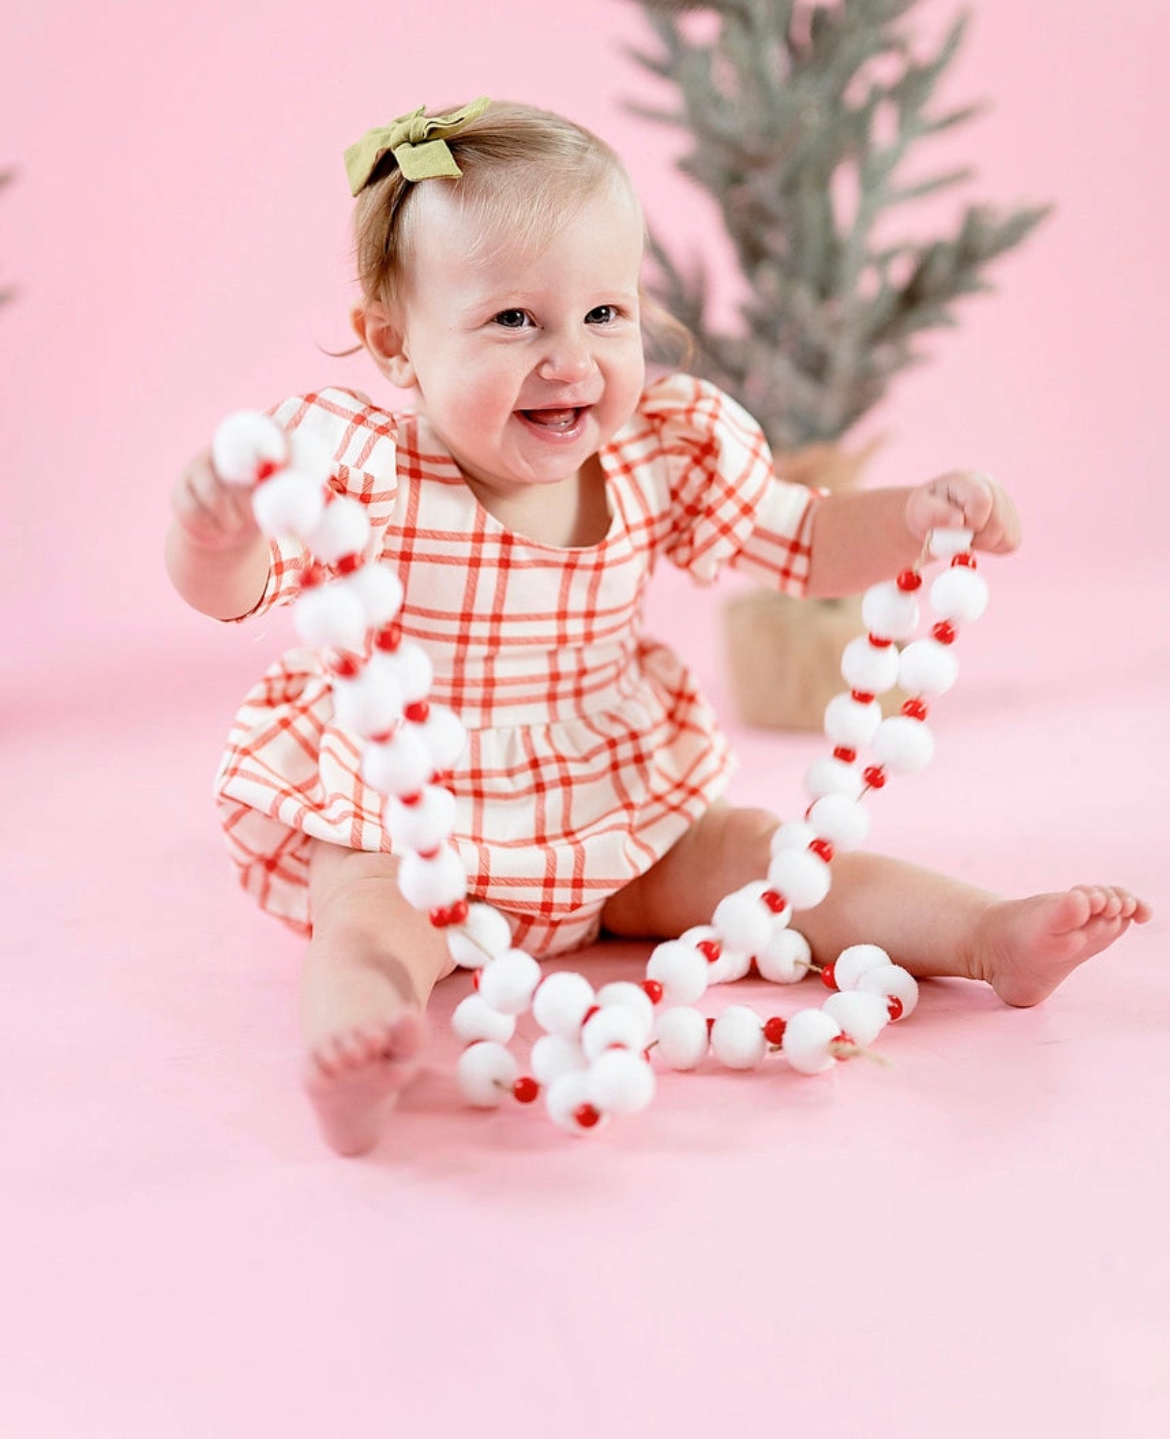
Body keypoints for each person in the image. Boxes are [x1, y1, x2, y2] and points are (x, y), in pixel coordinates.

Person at [166, 98, 1151, 1156]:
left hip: (613, 800)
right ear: (394, 345)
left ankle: (984, 935)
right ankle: (361, 1051)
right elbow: (240, 586)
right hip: (409, 818)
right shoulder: (364, 468)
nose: (571, 360)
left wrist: (914, 516)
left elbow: (806, 540)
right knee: (362, 924)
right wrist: (217, 533)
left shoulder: (659, 453)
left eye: (604, 314)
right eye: (513, 321)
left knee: (769, 862)